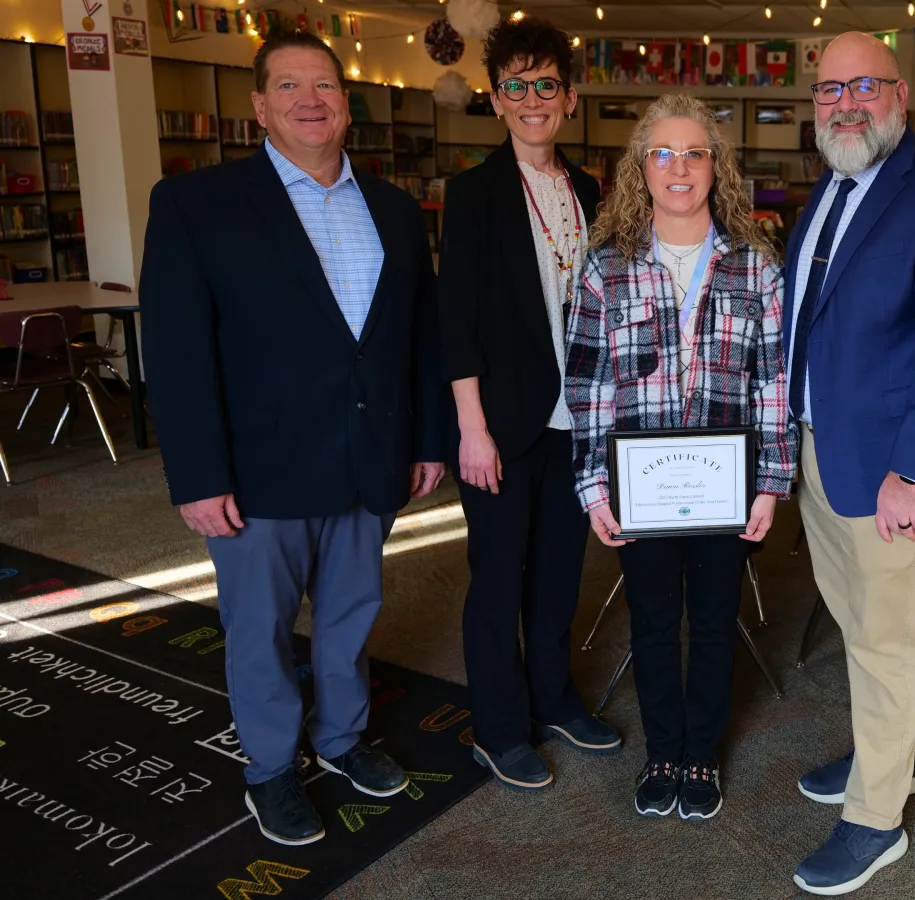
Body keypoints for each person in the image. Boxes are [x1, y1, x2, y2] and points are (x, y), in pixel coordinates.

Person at [139, 32, 446, 846]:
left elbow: (415, 336)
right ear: (259, 107)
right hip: (256, 471)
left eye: (325, 85)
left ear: (347, 103)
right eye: (289, 85)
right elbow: (173, 353)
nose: (310, 99)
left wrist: (426, 438)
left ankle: (341, 740)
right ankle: (272, 770)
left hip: (368, 460)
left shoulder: (393, 208)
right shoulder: (196, 204)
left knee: (350, 618)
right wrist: (196, 476)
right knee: (261, 631)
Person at [787, 32, 915, 896]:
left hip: (892, 471)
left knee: (885, 641)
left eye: (863, 85)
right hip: (825, 448)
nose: (844, 102)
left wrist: (912, 473)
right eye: (828, 89)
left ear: (900, 94)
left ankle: (877, 821)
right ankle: (894, 758)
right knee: (863, 626)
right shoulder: (835, 184)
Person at [566, 93, 795, 822]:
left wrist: (770, 484)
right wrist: (594, 489)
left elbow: (774, 382)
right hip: (643, 493)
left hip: (729, 492)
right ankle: (662, 750)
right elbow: (588, 383)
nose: (679, 167)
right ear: (640, 169)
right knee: (656, 624)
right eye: (662, 153)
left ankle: (703, 752)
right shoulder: (608, 267)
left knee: (715, 619)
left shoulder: (755, 265)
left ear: (715, 167)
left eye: (695, 152)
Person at [436, 16, 619, 793]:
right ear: (496, 98)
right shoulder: (473, 193)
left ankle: (554, 700)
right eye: (517, 85)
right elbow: (458, 323)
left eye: (547, 83)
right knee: (498, 579)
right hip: (502, 429)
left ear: (569, 97)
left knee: (556, 578)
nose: (533, 98)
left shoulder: (589, 190)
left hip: (576, 424)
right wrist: (470, 430)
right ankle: (499, 729)